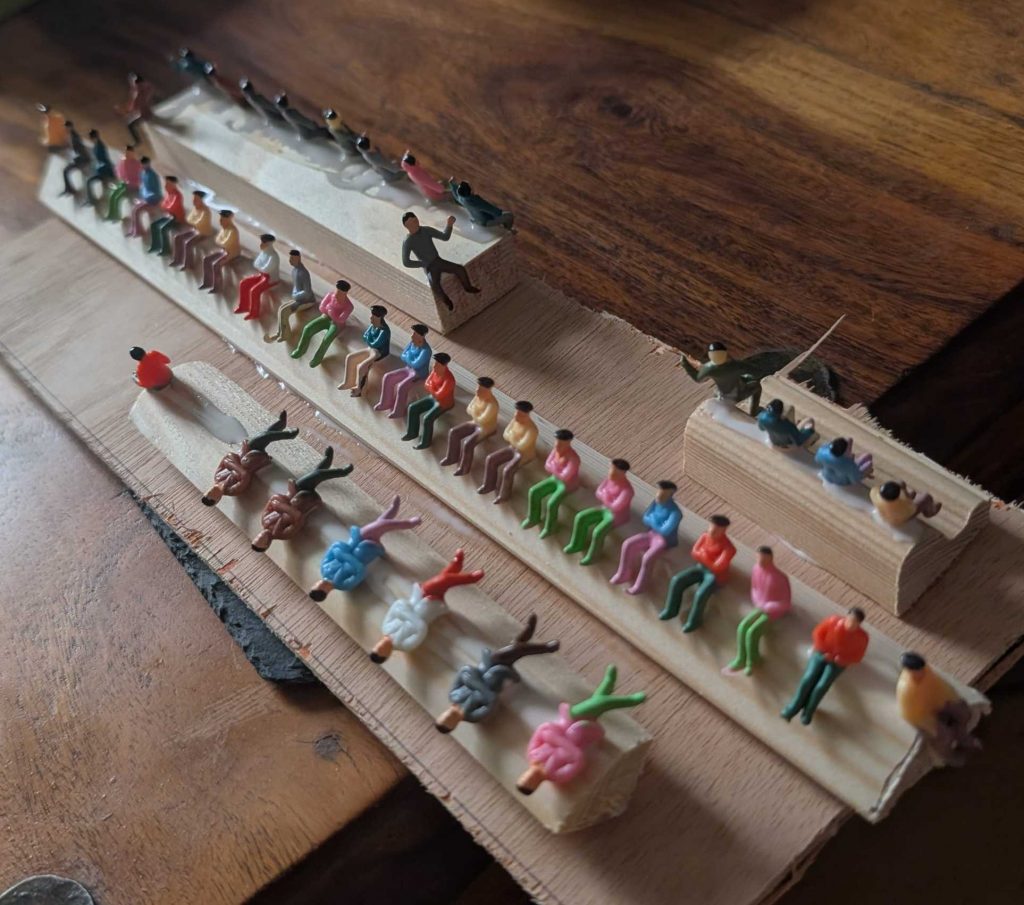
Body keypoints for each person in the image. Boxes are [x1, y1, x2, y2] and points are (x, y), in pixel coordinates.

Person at [781, 608, 868, 725]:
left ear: (859, 624)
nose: (851, 624)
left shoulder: (862, 637)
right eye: (850, 620)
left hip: (837, 663)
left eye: (855, 623)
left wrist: (842, 659)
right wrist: (824, 650)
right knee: (808, 678)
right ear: (846, 617)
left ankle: (808, 711)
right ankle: (793, 707)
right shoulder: (833, 621)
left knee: (822, 686)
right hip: (821, 654)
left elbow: (857, 656)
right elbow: (817, 634)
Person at [897, 652, 980, 765]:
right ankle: (947, 754)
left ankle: (962, 736)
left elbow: (944, 689)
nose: (921, 672)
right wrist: (932, 720)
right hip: (922, 715)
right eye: (917, 670)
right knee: (945, 735)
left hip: (938, 702)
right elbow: (912, 713)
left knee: (963, 713)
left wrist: (951, 702)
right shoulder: (906, 688)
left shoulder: (927, 672)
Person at [659, 514, 735, 632]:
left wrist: (703, 555)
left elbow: (718, 567)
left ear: (723, 530)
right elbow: (694, 553)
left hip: (714, 576)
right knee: (677, 580)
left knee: (700, 594)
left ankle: (694, 621)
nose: (712, 531)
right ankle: (671, 610)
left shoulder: (728, 548)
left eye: (716, 530)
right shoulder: (705, 536)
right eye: (711, 527)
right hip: (700, 568)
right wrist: (707, 558)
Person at [724, 546, 791, 676]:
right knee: (743, 627)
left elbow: (785, 603)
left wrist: (769, 606)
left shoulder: (779, 578)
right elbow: (755, 588)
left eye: (763, 559)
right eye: (759, 558)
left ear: (770, 559)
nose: (760, 561)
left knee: (752, 632)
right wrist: (757, 600)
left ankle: (753, 661)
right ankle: (741, 658)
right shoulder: (756, 569)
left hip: (773, 612)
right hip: (760, 607)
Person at [610, 480, 682, 595]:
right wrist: (656, 523)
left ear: (670, 493)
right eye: (659, 491)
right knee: (628, 544)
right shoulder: (656, 503)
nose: (659, 495)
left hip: (663, 540)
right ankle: (624, 573)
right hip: (651, 534)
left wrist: (652, 520)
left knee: (647, 557)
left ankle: (640, 585)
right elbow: (645, 518)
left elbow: (665, 531)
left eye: (663, 493)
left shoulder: (675, 512)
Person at [401, 213, 480, 311]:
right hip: (429, 266)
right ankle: (447, 302)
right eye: (412, 223)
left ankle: (468, 287)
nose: (415, 224)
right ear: (406, 226)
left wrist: (449, 225)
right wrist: (422, 263)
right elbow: (406, 262)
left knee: (459, 269)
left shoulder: (426, 230)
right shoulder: (408, 241)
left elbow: (444, 236)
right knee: (434, 284)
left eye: (415, 220)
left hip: (438, 260)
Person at [564, 459, 634, 565]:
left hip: (616, 516)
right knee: (581, 517)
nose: (611, 473)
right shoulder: (609, 480)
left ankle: (593, 555)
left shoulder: (627, 490)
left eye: (615, 471)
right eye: (611, 469)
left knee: (598, 531)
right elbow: (598, 492)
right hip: (604, 509)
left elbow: (616, 506)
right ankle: (577, 544)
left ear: (623, 473)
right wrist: (608, 498)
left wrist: (606, 496)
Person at [522, 429, 581, 538]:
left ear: (568, 442)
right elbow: (547, 465)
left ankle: (550, 527)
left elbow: (565, 476)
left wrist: (555, 467)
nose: (557, 445)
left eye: (561, 443)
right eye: (557, 441)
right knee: (534, 492)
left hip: (567, 485)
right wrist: (557, 469)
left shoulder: (573, 458)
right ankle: (533, 518)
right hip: (554, 479)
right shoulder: (555, 451)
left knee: (552, 503)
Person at [477, 401, 539, 504]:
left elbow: (522, 445)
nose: (516, 415)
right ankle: (488, 485)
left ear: (526, 415)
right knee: (491, 459)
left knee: (507, 470)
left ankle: (503, 495)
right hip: (512, 448)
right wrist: (514, 439)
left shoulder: (532, 429)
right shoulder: (515, 421)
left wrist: (512, 437)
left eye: (520, 414)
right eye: (516, 413)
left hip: (523, 454)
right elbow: (505, 435)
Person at [440, 377, 500, 477]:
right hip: (474, 422)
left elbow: (482, 420)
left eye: (480, 389)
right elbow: (468, 409)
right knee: (454, 432)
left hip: (485, 428)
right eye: (478, 388)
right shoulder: (478, 397)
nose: (477, 391)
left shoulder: (492, 404)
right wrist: (476, 414)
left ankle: (464, 468)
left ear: (487, 390)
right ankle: (452, 457)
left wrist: (475, 412)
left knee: (468, 443)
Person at [681, 342, 762, 415]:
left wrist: (685, 363)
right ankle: (753, 411)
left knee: (716, 390)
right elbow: (756, 371)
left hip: (723, 398)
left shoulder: (709, 368)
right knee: (757, 387)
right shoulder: (734, 364)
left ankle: (721, 409)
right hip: (740, 394)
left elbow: (697, 379)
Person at [291, 280, 354, 368]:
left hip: (336, 324)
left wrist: (332, 313)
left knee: (327, 338)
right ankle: (301, 349)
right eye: (337, 290)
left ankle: (318, 357)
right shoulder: (330, 295)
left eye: (340, 292)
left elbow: (341, 319)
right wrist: (328, 310)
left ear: (345, 293)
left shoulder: (349, 306)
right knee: (308, 328)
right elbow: (321, 307)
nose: (337, 293)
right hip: (325, 317)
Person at [374, 324, 431, 419]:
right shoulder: (412, 343)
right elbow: (403, 356)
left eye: (415, 334)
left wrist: (408, 357)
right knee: (388, 377)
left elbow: (416, 364)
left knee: (402, 386)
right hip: (408, 369)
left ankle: (398, 411)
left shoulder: (426, 350)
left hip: (418, 374)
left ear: (421, 336)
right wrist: (410, 359)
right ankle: (385, 403)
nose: (412, 336)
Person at [402, 353, 456, 450]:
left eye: (437, 364)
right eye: (435, 363)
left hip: (444, 403)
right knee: (413, 408)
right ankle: (412, 433)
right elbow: (426, 384)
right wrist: (433, 388)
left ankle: (425, 442)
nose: (434, 366)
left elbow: (439, 394)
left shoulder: (449, 379)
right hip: (432, 398)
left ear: (444, 366)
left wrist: (432, 387)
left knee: (427, 418)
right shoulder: (434, 372)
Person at [338, 305, 391, 397]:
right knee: (350, 358)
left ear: (379, 318)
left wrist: (369, 339)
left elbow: (375, 344)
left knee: (362, 367)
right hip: (370, 349)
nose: (371, 317)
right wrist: (369, 340)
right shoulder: (373, 326)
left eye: (373, 316)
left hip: (379, 353)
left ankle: (359, 389)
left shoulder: (384, 331)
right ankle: (348, 382)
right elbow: (364, 336)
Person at [266, 250, 316, 342]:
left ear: (298, 258)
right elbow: (296, 287)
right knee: (281, 308)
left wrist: (296, 296)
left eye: (292, 258)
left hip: (307, 300)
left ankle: (286, 335)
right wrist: (295, 294)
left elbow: (307, 292)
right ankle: (280, 332)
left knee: (284, 312)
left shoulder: (303, 273)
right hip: (298, 298)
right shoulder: (294, 271)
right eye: (290, 258)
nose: (290, 260)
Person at [234, 234, 280, 320]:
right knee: (244, 283)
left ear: (269, 244)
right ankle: (244, 306)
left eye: (264, 243)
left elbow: (266, 269)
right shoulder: (263, 253)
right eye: (262, 242)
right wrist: (261, 267)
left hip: (270, 279)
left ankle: (254, 312)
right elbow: (255, 264)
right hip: (261, 275)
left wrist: (261, 267)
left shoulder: (274, 256)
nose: (261, 245)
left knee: (254, 291)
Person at [199, 210, 241, 293]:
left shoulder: (233, 231)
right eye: (221, 219)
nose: (220, 221)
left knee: (216, 265)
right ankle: (208, 282)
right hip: (223, 250)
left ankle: (218, 286)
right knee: (207, 259)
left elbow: (225, 243)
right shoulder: (224, 229)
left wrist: (221, 242)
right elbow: (217, 240)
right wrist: (221, 242)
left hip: (231, 252)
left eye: (222, 219)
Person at [447, 178, 515, 231]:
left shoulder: (461, 197)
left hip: (475, 219)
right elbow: (491, 209)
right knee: (509, 215)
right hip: (485, 222)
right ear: (470, 191)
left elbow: (455, 193)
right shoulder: (476, 200)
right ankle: (508, 230)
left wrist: (452, 184)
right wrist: (500, 213)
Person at [170, 190, 214, 270]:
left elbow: (198, 222)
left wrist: (193, 222)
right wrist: (193, 222)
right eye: (193, 199)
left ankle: (188, 263)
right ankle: (178, 259)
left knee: (188, 243)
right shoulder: (195, 209)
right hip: (195, 230)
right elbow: (189, 219)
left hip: (203, 232)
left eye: (196, 199)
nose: (193, 201)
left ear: (201, 200)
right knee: (178, 238)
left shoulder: (205, 211)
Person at [870, 481, 942, 527]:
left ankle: (908, 496)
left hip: (884, 512)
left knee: (901, 483)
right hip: (897, 519)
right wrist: (906, 495)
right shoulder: (902, 507)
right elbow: (912, 508)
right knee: (926, 497)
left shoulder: (874, 493)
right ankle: (929, 512)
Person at [147, 175, 185, 255]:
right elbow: (163, 205)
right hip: (169, 216)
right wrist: (166, 207)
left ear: (173, 185)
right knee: (154, 225)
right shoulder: (168, 194)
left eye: (168, 184)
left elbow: (171, 207)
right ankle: (156, 245)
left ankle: (166, 249)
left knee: (163, 228)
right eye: (166, 184)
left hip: (176, 218)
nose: (165, 186)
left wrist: (166, 207)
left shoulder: (177, 195)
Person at [104, 145, 142, 221]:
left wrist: (132, 183)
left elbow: (140, 177)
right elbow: (118, 172)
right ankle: (111, 214)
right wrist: (121, 180)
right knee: (113, 195)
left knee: (117, 197)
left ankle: (116, 216)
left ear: (132, 153)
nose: (127, 155)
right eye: (126, 153)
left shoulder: (136, 164)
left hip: (132, 186)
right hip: (123, 184)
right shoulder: (122, 161)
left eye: (129, 153)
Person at [126, 157, 162, 238]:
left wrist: (146, 199)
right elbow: (143, 187)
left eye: (145, 164)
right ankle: (134, 228)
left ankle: (139, 230)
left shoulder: (153, 175)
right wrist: (141, 198)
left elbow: (156, 190)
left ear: (148, 164)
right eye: (142, 164)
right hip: (145, 197)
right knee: (134, 209)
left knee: (136, 210)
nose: (143, 165)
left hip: (153, 198)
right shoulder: (142, 173)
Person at [115, 72, 154, 147]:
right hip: (143, 111)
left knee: (130, 125)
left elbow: (133, 105)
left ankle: (138, 140)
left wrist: (124, 110)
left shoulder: (136, 91)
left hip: (142, 113)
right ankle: (138, 139)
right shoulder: (143, 88)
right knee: (130, 123)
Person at [83, 129, 115, 205]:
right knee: (104, 185)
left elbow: (103, 160)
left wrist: (97, 168)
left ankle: (91, 200)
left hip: (104, 170)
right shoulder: (97, 145)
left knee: (89, 181)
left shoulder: (99, 147)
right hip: (103, 169)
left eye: (91, 138)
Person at [59, 121, 90, 196]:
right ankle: (68, 189)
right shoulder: (71, 135)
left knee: (65, 171)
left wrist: (74, 159)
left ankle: (69, 189)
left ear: (70, 127)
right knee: (65, 170)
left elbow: (81, 151)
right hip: (78, 157)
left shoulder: (75, 137)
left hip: (82, 159)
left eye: (66, 128)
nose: (65, 129)